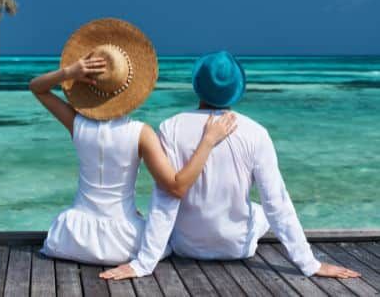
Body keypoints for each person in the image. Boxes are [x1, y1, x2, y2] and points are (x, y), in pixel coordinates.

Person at [101, 50, 361, 280]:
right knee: (262, 209)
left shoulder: (171, 127)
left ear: (197, 86)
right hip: (238, 248)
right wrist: (309, 263)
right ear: (238, 88)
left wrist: (143, 263)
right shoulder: (255, 132)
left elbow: (165, 199)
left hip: (186, 245)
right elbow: (277, 204)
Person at [29, 19, 237, 266]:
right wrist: (208, 141)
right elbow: (176, 187)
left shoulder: (77, 125)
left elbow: (37, 88)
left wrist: (69, 73)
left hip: (71, 238)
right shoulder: (141, 133)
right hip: (123, 243)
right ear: (130, 88)